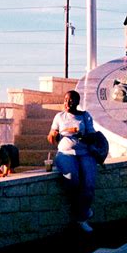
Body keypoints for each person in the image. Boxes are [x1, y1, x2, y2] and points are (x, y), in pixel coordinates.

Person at [47, 90, 97, 233]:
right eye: (65, 100)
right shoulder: (59, 117)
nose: (67, 103)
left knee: (89, 183)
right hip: (65, 153)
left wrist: (82, 136)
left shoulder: (85, 116)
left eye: (71, 100)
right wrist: (54, 135)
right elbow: (50, 138)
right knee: (72, 179)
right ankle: (80, 211)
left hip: (85, 153)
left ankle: (83, 216)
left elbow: (92, 137)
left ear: (77, 102)